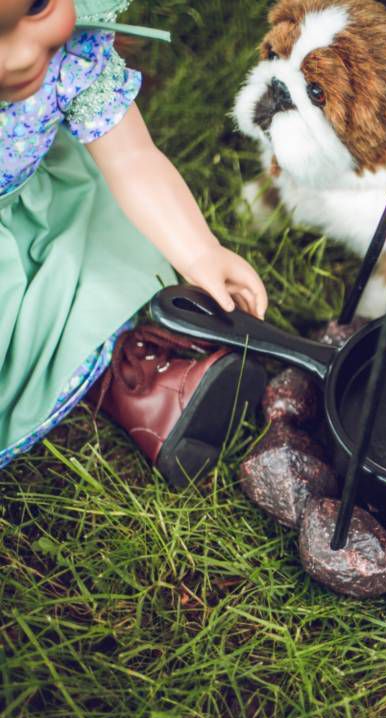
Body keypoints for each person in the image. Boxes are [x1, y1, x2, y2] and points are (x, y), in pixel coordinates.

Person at [0, 0, 268, 486]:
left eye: (37, 6)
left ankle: (117, 365)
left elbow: (130, 158)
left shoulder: (70, 55)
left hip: (38, 210)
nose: (21, 55)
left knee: (95, 265)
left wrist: (199, 250)